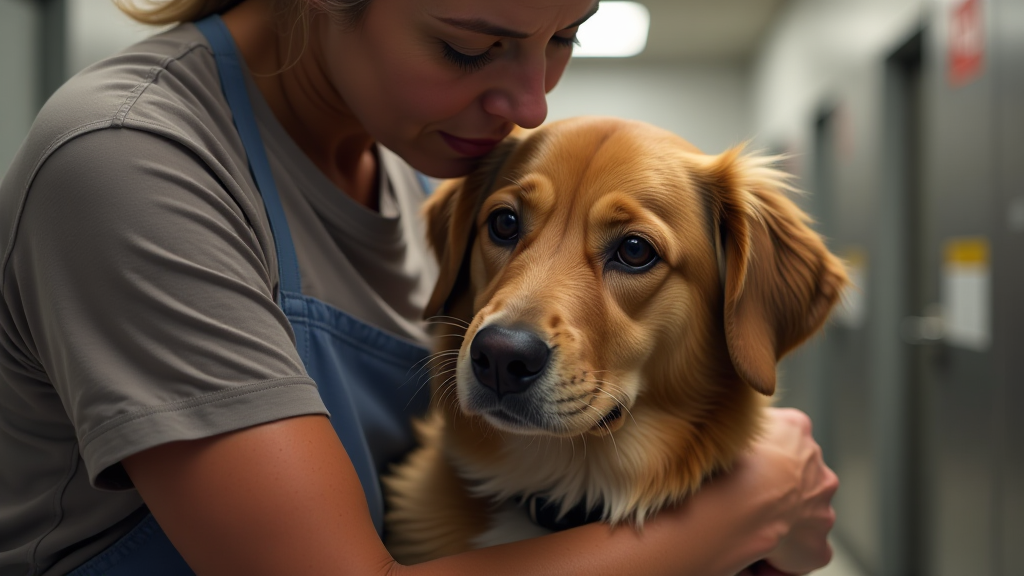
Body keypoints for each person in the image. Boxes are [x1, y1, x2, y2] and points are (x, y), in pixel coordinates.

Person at [0, 0, 838, 574]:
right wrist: (744, 511)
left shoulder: (413, 178)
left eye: (565, 36)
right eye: (469, 46)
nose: (532, 103)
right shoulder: (131, 161)